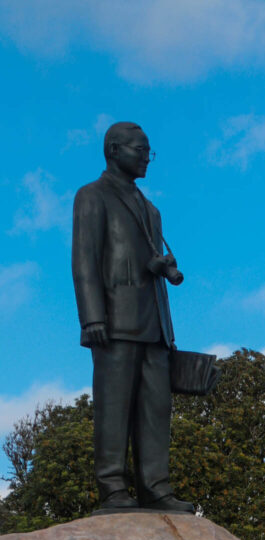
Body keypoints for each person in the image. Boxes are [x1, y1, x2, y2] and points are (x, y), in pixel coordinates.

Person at [72, 121, 193, 514]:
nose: (146, 157)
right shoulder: (92, 196)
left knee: (156, 410)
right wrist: (92, 318)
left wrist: (158, 267)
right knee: (114, 407)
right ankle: (112, 488)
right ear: (113, 149)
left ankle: (155, 487)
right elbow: (85, 261)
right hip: (115, 321)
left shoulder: (151, 210)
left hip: (154, 325)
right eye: (140, 150)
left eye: (148, 151)